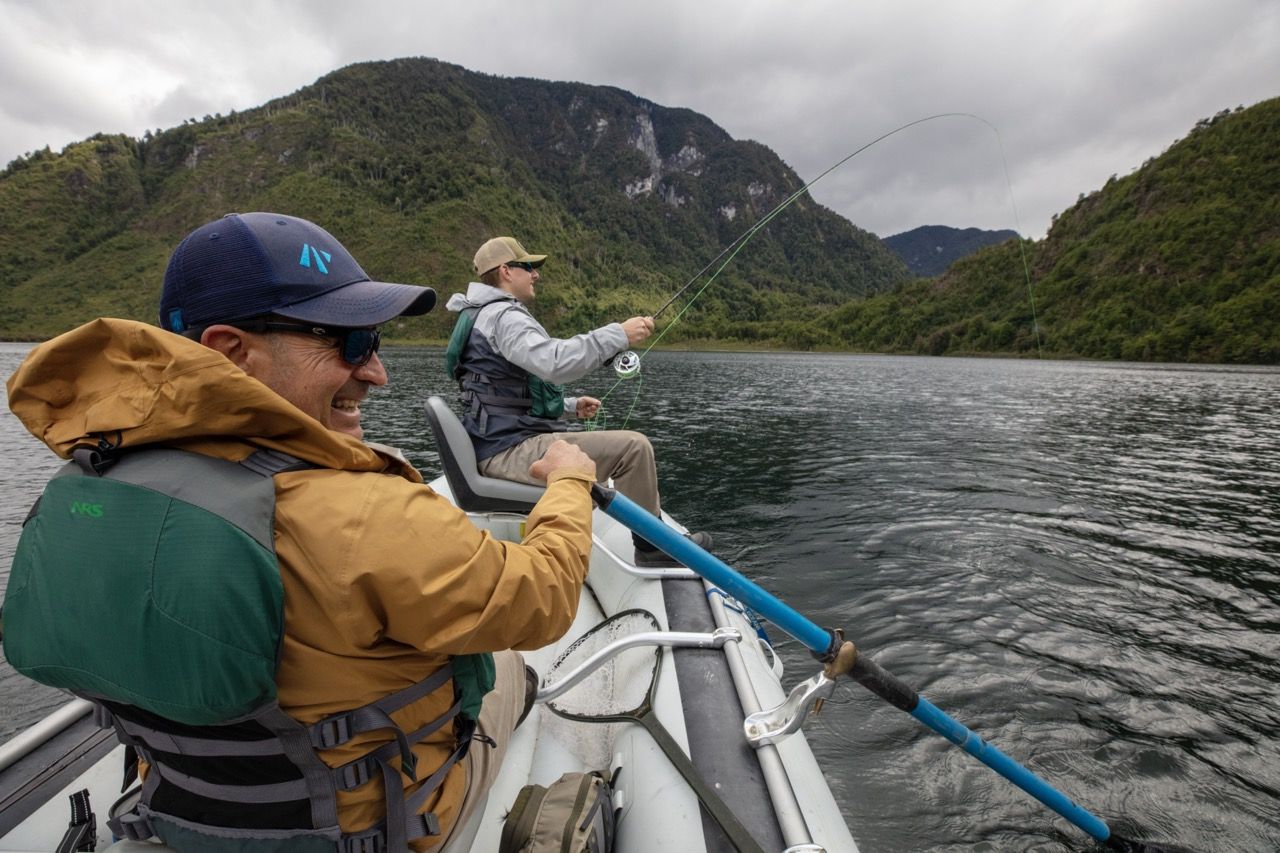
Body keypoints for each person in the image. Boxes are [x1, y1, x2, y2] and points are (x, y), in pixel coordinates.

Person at [3, 212, 598, 852]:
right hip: (368, 828)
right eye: (349, 343)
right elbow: (542, 596)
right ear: (232, 350)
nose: (375, 372)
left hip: (183, 806)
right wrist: (568, 483)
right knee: (510, 661)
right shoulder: (367, 514)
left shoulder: (87, 486)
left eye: (375, 342)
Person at [445, 235, 710, 567]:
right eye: (528, 267)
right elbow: (554, 363)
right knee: (634, 447)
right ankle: (653, 550)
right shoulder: (504, 317)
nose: (536, 274)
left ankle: (652, 540)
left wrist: (569, 406)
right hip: (508, 451)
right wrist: (619, 334)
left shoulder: (478, 315)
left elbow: (505, 390)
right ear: (506, 272)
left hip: (498, 444)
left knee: (628, 448)